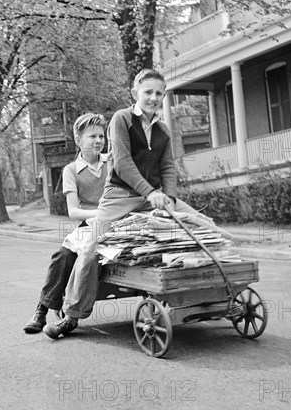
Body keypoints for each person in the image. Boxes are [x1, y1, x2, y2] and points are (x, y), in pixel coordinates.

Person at [43, 68, 220, 339]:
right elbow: (123, 164)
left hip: (151, 197)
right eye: (148, 92)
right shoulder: (121, 120)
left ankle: (210, 291)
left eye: (159, 93)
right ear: (135, 93)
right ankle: (72, 314)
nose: (153, 98)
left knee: (202, 224)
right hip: (118, 197)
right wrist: (150, 192)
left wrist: (169, 198)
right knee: (91, 248)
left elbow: (168, 168)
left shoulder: (162, 130)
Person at [23, 113, 107, 333]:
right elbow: (73, 212)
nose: (98, 140)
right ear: (79, 141)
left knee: (87, 256)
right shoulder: (71, 171)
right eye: (92, 137)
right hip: (89, 225)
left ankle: (70, 312)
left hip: (114, 224)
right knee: (62, 256)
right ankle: (41, 310)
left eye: (101, 136)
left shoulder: (112, 164)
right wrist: (100, 213)